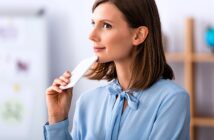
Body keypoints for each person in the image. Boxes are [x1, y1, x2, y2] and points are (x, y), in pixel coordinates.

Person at [43, 0, 190, 139]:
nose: (91, 35)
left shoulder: (172, 99)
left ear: (138, 35)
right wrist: (57, 118)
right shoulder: (86, 102)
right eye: (93, 23)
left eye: (106, 25)